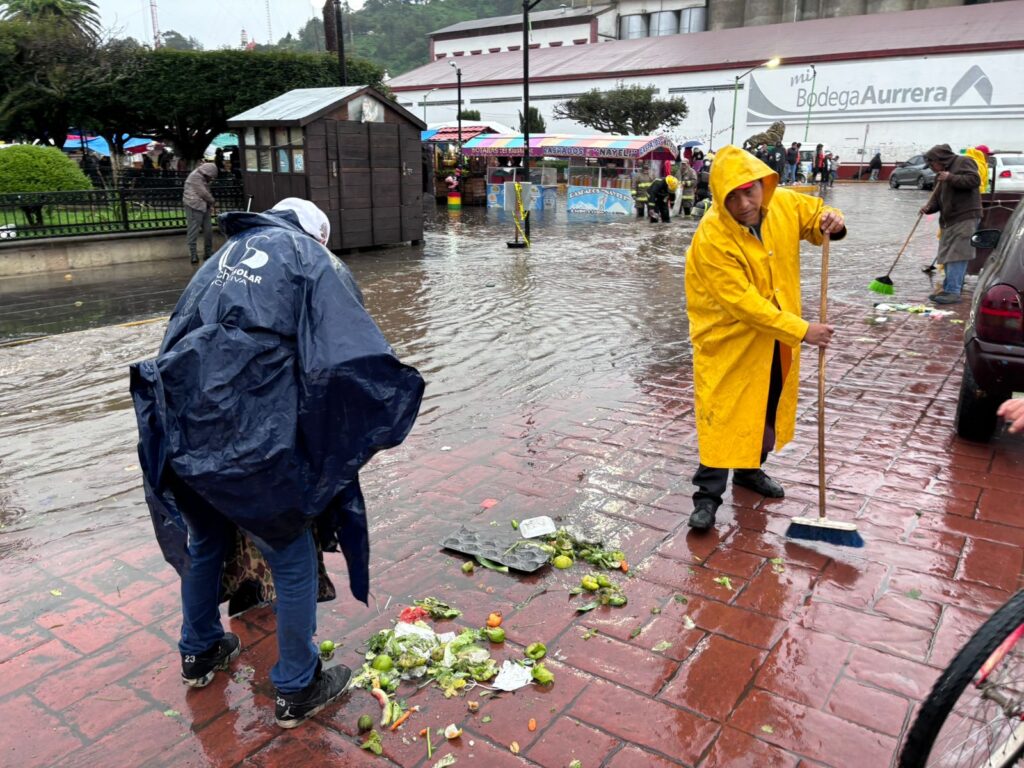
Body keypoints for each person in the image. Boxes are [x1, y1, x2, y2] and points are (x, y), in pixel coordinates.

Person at [130, 197, 424, 729]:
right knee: (289, 555)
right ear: (320, 236)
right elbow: (350, 358)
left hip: (183, 432)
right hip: (253, 443)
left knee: (205, 541)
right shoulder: (316, 263)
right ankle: (297, 686)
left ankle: (198, 651)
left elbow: (177, 337)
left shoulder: (222, 257)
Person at [684, 145, 847, 531]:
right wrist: (803, 330)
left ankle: (749, 471)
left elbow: (815, 220)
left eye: (750, 191)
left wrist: (832, 222)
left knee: (766, 404)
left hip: (776, 336)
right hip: (729, 340)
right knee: (724, 414)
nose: (743, 204)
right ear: (719, 197)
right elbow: (744, 304)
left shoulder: (785, 204)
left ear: (764, 184)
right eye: (732, 196)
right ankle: (707, 496)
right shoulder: (712, 238)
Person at [921, 144, 981, 305]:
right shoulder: (939, 175)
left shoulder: (963, 162)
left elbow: (974, 180)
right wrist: (929, 208)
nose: (932, 168)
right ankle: (949, 288)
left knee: (958, 254)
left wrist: (950, 177)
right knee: (947, 255)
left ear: (940, 160)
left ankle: (953, 292)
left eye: (932, 164)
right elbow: (937, 199)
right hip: (949, 220)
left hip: (965, 216)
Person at [182, 162, 219, 264]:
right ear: (206, 173)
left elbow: (206, 192)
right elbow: (203, 192)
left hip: (204, 205)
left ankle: (208, 252)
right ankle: (193, 254)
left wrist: (210, 204)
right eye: (210, 176)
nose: (211, 179)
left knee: (208, 230)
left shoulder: (203, 177)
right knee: (193, 231)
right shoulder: (195, 176)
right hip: (193, 205)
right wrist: (212, 201)